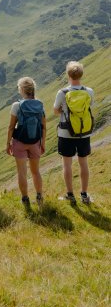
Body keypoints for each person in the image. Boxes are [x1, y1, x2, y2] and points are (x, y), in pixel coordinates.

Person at [53, 61, 95, 204]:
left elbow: (55, 110)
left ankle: (70, 195)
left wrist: (64, 111)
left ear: (68, 75)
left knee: (67, 164)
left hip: (66, 132)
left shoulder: (63, 93)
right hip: (84, 132)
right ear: (81, 74)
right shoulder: (89, 91)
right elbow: (89, 106)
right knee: (84, 163)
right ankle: (84, 195)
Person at [6, 77, 46, 206]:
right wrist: (42, 143)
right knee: (36, 171)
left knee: (22, 172)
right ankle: (39, 197)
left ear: (22, 89)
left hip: (20, 143)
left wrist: (8, 143)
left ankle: (25, 199)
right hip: (35, 142)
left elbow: (11, 127)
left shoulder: (16, 105)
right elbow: (44, 126)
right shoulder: (40, 105)